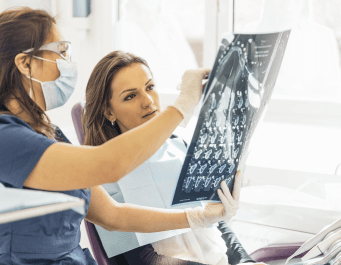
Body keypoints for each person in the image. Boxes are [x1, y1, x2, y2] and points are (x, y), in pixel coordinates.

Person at [0, 7, 235, 265]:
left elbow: (113, 215)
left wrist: (197, 217)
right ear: (25, 63)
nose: (68, 63)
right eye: (61, 51)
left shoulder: (48, 135)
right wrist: (183, 105)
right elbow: (109, 165)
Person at [82, 51, 256, 265]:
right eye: (130, 96)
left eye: (150, 87)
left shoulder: (178, 147)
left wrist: (246, 262)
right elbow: (143, 260)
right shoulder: (106, 174)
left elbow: (216, 223)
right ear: (109, 112)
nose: (148, 101)